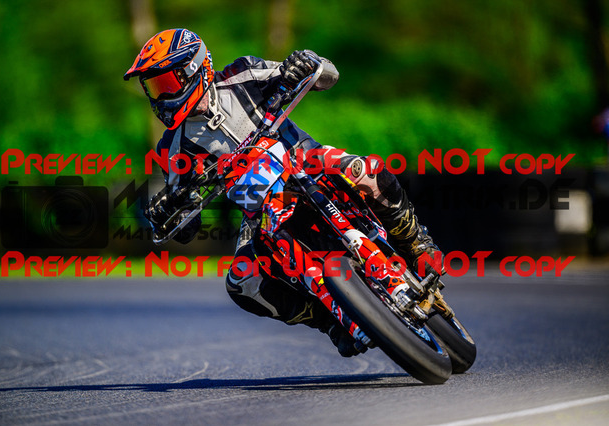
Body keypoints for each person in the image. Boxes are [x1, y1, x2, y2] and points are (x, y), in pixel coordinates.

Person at [124, 28, 443, 357]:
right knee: (241, 282)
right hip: (258, 210)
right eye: (154, 87)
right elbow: (187, 226)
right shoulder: (171, 148)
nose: (160, 96)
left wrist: (305, 63)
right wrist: (168, 211)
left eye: (166, 83)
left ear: (195, 69)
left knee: (366, 170)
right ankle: (330, 322)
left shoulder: (243, 74)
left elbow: (327, 74)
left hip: (307, 161)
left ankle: (416, 243)